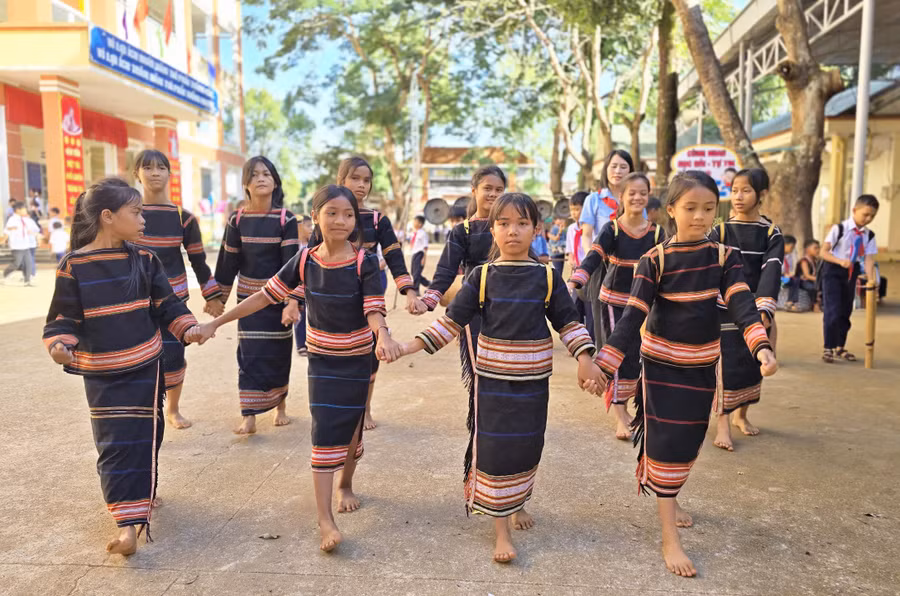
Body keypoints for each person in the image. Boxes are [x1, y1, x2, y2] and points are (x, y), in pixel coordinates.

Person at [392, 192, 601, 563]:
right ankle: (500, 529)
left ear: (536, 229)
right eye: (504, 224)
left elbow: (568, 322)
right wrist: (410, 346)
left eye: (522, 223)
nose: (513, 231)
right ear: (493, 229)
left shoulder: (548, 277)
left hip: (534, 383)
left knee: (527, 445)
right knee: (495, 449)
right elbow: (452, 321)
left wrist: (585, 357)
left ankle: (517, 502)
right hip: (492, 383)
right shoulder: (482, 276)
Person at [195, 184, 401, 553]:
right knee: (324, 433)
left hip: (356, 360)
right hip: (321, 362)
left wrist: (383, 336)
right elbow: (264, 295)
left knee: (352, 431)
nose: (341, 220)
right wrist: (217, 322)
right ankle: (325, 520)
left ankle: (346, 485)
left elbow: (373, 308)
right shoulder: (305, 260)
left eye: (349, 214)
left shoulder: (363, 261)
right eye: (332, 213)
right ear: (316, 217)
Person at [593, 170, 777, 577]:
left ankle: (669, 494)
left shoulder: (724, 257)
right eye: (690, 208)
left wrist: (760, 346)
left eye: (708, 209)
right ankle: (669, 538)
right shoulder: (654, 259)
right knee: (666, 444)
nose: (699, 217)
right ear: (671, 210)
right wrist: (604, 364)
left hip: (701, 367)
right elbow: (631, 317)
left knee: (690, 441)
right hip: (659, 367)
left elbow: (742, 304)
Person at [42, 178, 202, 556]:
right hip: (101, 373)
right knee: (112, 445)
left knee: (142, 438)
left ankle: (134, 518)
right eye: (136, 212)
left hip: (145, 367)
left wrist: (189, 328)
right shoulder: (73, 265)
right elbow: (63, 319)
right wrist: (59, 346)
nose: (143, 219)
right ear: (108, 217)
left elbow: (168, 306)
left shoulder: (145, 260)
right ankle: (125, 523)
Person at [304, 156, 427, 430]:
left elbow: (394, 254)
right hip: (330, 293)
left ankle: (365, 407)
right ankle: (330, 406)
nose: (361, 185)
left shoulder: (377, 219)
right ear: (342, 180)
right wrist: (293, 300)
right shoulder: (327, 214)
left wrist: (408, 291)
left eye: (366, 180)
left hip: (369, 291)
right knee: (330, 351)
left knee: (370, 351)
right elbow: (309, 256)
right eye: (355, 178)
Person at [568, 173, 665, 441]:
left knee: (642, 355)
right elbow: (595, 256)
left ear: (648, 195)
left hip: (645, 303)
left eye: (642, 193)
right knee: (618, 355)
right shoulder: (612, 229)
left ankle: (637, 408)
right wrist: (577, 279)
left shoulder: (657, 232)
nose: (637, 197)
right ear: (620, 197)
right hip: (614, 301)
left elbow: (667, 266)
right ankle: (620, 414)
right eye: (631, 193)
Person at [132, 149, 222, 430]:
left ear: (170, 174)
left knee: (173, 356)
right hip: (135, 301)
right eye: (147, 167)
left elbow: (198, 260)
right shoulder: (129, 215)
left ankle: (172, 409)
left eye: (161, 167)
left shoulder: (183, 218)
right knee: (139, 359)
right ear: (137, 174)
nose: (154, 172)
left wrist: (213, 296)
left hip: (174, 301)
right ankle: (145, 413)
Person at [210, 156, 300, 435]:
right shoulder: (237, 220)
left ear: (275, 182)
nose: (261, 178)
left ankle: (280, 407)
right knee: (248, 355)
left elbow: (292, 265)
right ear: (246, 184)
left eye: (267, 174)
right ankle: (248, 413)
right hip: (248, 302)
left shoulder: (287, 219)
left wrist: (292, 302)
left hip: (277, 302)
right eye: (255, 175)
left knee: (278, 354)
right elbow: (228, 261)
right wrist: (218, 298)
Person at [421, 165, 507, 429]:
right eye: (487, 189)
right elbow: (446, 269)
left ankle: (505, 417)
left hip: (511, 308)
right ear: (474, 191)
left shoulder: (509, 226)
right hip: (474, 309)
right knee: (480, 364)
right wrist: (430, 298)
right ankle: (482, 422)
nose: (493, 194)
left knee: (507, 364)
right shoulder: (463, 231)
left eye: (499, 190)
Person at [707, 168, 784, 451]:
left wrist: (764, 309)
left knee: (753, 363)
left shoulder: (772, 233)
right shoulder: (721, 230)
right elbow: (712, 269)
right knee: (726, 364)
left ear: (760, 194)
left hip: (756, 306)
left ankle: (742, 415)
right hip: (724, 305)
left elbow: (771, 271)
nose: (738, 196)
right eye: (734, 190)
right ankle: (723, 421)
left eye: (746, 190)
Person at [580, 150, 635, 344]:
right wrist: (594, 260)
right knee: (602, 317)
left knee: (631, 316)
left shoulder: (636, 200)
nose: (618, 171)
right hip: (601, 267)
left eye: (623, 167)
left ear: (631, 170)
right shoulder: (593, 200)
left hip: (630, 268)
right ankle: (604, 368)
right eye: (613, 166)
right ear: (606, 169)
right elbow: (586, 236)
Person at [819, 194, 879, 363]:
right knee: (833, 310)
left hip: (851, 272)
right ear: (854, 210)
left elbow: (868, 258)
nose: (868, 219)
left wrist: (870, 279)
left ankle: (840, 346)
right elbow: (823, 252)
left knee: (845, 311)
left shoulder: (869, 235)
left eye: (872, 216)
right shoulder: (839, 229)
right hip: (833, 271)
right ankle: (828, 347)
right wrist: (840, 261)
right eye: (865, 214)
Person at [565, 191, 594, 342]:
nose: (575, 213)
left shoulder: (592, 229)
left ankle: (589, 341)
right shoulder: (571, 229)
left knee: (590, 309)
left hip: (591, 274)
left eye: (578, 209)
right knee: (575, 307)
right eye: (572, 209)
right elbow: (570, 251)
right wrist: (572, 262)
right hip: (576, 273)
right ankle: (577, 340)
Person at [1, 200, 40, 286]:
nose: (25, 210)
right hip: (17, 246)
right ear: (18, 210)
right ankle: (4, 275)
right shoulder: (12, 220)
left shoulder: (24, 220)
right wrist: (4, 240)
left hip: (25, 245)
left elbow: (29, 229)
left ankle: (27, 281)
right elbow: (7, 231)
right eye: (24, 209)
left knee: (29, 263)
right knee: (16, 263)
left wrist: (30, 232)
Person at [294, 214, 313, 356]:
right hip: (296, 284)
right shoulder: (292, 245)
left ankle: (313, 342)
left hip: (311, 283)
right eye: (307, 225)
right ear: (299, 227)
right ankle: (301, 344)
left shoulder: (313, 243)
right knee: (299, 312)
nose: (311, 228)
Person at [789, 239, 820, 311]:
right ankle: (815, 304)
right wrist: (819, 280)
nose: (818, 250)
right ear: (807, 249)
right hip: (801, 282)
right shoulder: (804, 261)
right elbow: (807, 275)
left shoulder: (815, 261)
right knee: (813, 287)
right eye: (815, 248)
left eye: (818, 248)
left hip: (811, 281)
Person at [408, 214, 431, 294]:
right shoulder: (414, 233)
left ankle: (416, 289)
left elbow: (425, 247)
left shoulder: (423, 234)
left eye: (416, 222)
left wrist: (424, 258)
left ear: (420, 224)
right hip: (414, 254)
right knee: (413, 272)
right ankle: (427, 283)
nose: (414, 223)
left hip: (419, 254)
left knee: (417, 272)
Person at [781, 235, 797, 310]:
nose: (792, 249)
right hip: (776, 278)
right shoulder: (777, 254)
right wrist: (784, 274)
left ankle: (790, 302)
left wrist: (788, 274)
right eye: (791, 247)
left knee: (795, 279)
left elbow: (789, 269)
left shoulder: (789, 256)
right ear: (785, 245)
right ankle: (790, 302)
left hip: (784, 278)